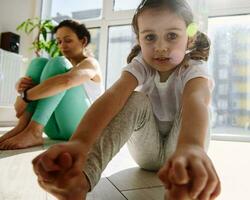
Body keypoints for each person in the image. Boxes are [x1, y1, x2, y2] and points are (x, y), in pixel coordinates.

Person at [32, 0, 221, 199]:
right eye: (150, 37)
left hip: (182, 150)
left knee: (197, 101)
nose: (160, 47)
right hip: (147, 152)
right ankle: (82, 177)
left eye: (172, 36)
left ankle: (185, 186)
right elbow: (114, 95)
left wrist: (191, 146)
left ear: (189, 39)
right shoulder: (142, 64)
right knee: (135, 98)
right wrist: (80, 142)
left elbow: (196, 99)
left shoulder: (193, 67)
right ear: (139, 40)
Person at [0, 19, 103, 150]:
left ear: (83, 41)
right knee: (38, 63)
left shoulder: (91, 63)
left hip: (81, 128)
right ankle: (23, 127)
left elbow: (67, 80)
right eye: (59, 41)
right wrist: (20, 87)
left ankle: (34, 131)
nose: (62, 45)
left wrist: (25, 96)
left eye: (68, 40)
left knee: (58, 63)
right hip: (53, 129)